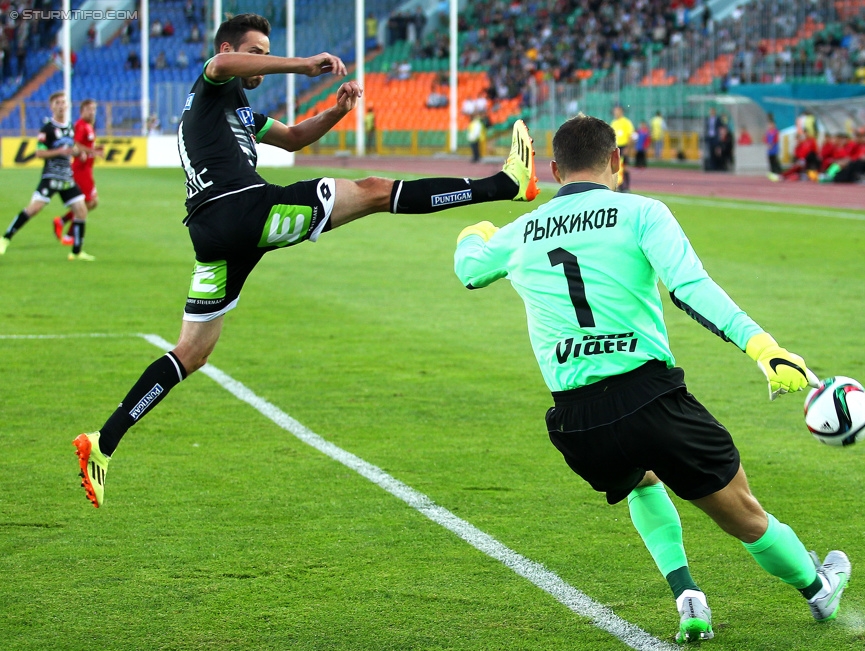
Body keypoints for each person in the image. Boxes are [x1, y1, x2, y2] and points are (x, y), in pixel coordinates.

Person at [71, 13, 540, 509]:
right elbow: (221, 62)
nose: (259, 59)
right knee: (375, 191)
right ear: (232, 48)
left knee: (192, 352)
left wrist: (336, 111)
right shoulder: (211, 87)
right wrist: (302, 65)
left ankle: (103, 442)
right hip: (244, 211)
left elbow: (294, 138)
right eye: (256, 51)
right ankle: (507, 184)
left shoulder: (239, 114)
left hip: (214, 239)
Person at [453, 114, 850, 643]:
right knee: (744, 514)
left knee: (640, 480)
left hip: (575, 420)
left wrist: (474, 228)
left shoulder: (521, 231)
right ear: (616, 161)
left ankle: (688, 596)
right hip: (650, 399)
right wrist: (764, 349)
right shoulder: (642, 212)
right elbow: (690, 287)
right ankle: (816, 587)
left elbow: (469, 270)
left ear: (552, 170)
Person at [0, 91, 94, 260]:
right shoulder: (47, 129)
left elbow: (72, 148)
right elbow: (39, 153)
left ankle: (77, 252)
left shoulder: (70, 127)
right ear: (51, 107)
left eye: (63, 102)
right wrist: (59, 151)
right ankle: (5, 238)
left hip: (67, 177)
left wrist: (78, 153)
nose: (61, 105)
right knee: (34, 208)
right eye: (57, 103)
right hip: (51, 177)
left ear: (67, 105)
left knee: (81, 210)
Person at [54, 98, 104, 248]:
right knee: (88, 202)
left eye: (94, 109)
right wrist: (89, 151)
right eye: (89, 109)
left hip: (87, 169)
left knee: (93, 203)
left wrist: (95, 149)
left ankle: (62, 221)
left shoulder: (89, 126)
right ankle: (70, 234)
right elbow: (75, 143)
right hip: (80, 170)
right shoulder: (80, 125)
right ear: (82, 111)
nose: (92, 112)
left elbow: (86, 145)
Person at [610, 105, 634, 191]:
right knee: (615, 168)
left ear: (621, 111)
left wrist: (628, 148)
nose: (616, 112)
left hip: (623, 147)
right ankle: (618, 186)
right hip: (615, 148)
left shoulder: (626, 122)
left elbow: (630, 136)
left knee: (625, 167)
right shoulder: (613, 123)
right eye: (615, 111)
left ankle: (626, 187)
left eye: (617, 111)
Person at [765, 115, 782, 180]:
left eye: (771, 124)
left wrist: (771, 144)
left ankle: (778, 173)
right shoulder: (768, 132)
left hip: (774, 149)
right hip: (769, 149)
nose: (770, 126)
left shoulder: (776, 131)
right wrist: (768, 144)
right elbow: (766, 139)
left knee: (775, 161)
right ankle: (772, 173)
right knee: (770, 161)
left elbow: (776, 139)